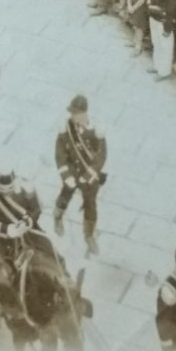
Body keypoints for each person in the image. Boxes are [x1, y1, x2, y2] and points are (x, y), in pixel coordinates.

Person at [53, 94, 107, 255]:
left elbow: (101, 156)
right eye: (72, 113)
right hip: (72, 171)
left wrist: (90, 174)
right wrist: (66, 175)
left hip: (88, 174)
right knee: (65, 195)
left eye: (75, 113)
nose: (72, 116)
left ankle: (89, 235)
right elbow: (60, 153)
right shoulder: (66, 129)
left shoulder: (96, 131)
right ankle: (57, 218)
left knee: (90, 204)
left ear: (83, 113)